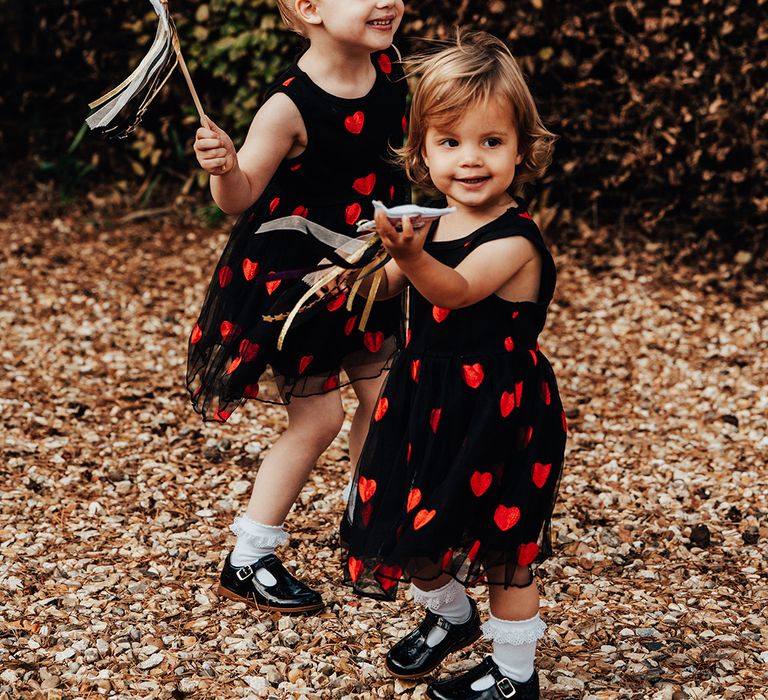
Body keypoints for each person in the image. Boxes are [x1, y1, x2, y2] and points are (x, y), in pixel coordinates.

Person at [340, 32, 565, 699]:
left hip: (498, 414)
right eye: (450, 142)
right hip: (424, 401)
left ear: (521, 148)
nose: (470, 160)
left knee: (504, 556)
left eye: (491, 142)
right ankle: (451, 616)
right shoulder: (429, 224)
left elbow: (457, 290)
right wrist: (357, 277)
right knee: (404, 527)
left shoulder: (516, 238)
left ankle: (513, 677)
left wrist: (407, 259)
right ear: (422, 151)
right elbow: (394, 289)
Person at [187, 0, 408, 614]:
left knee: (386, 399)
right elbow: (240, 198)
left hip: (370, 273)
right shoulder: (289, 105)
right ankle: (249, 554)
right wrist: (224, 168)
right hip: (298, 285)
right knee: (318, 419)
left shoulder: (393, 75)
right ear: (309, 8)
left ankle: (368, 526)